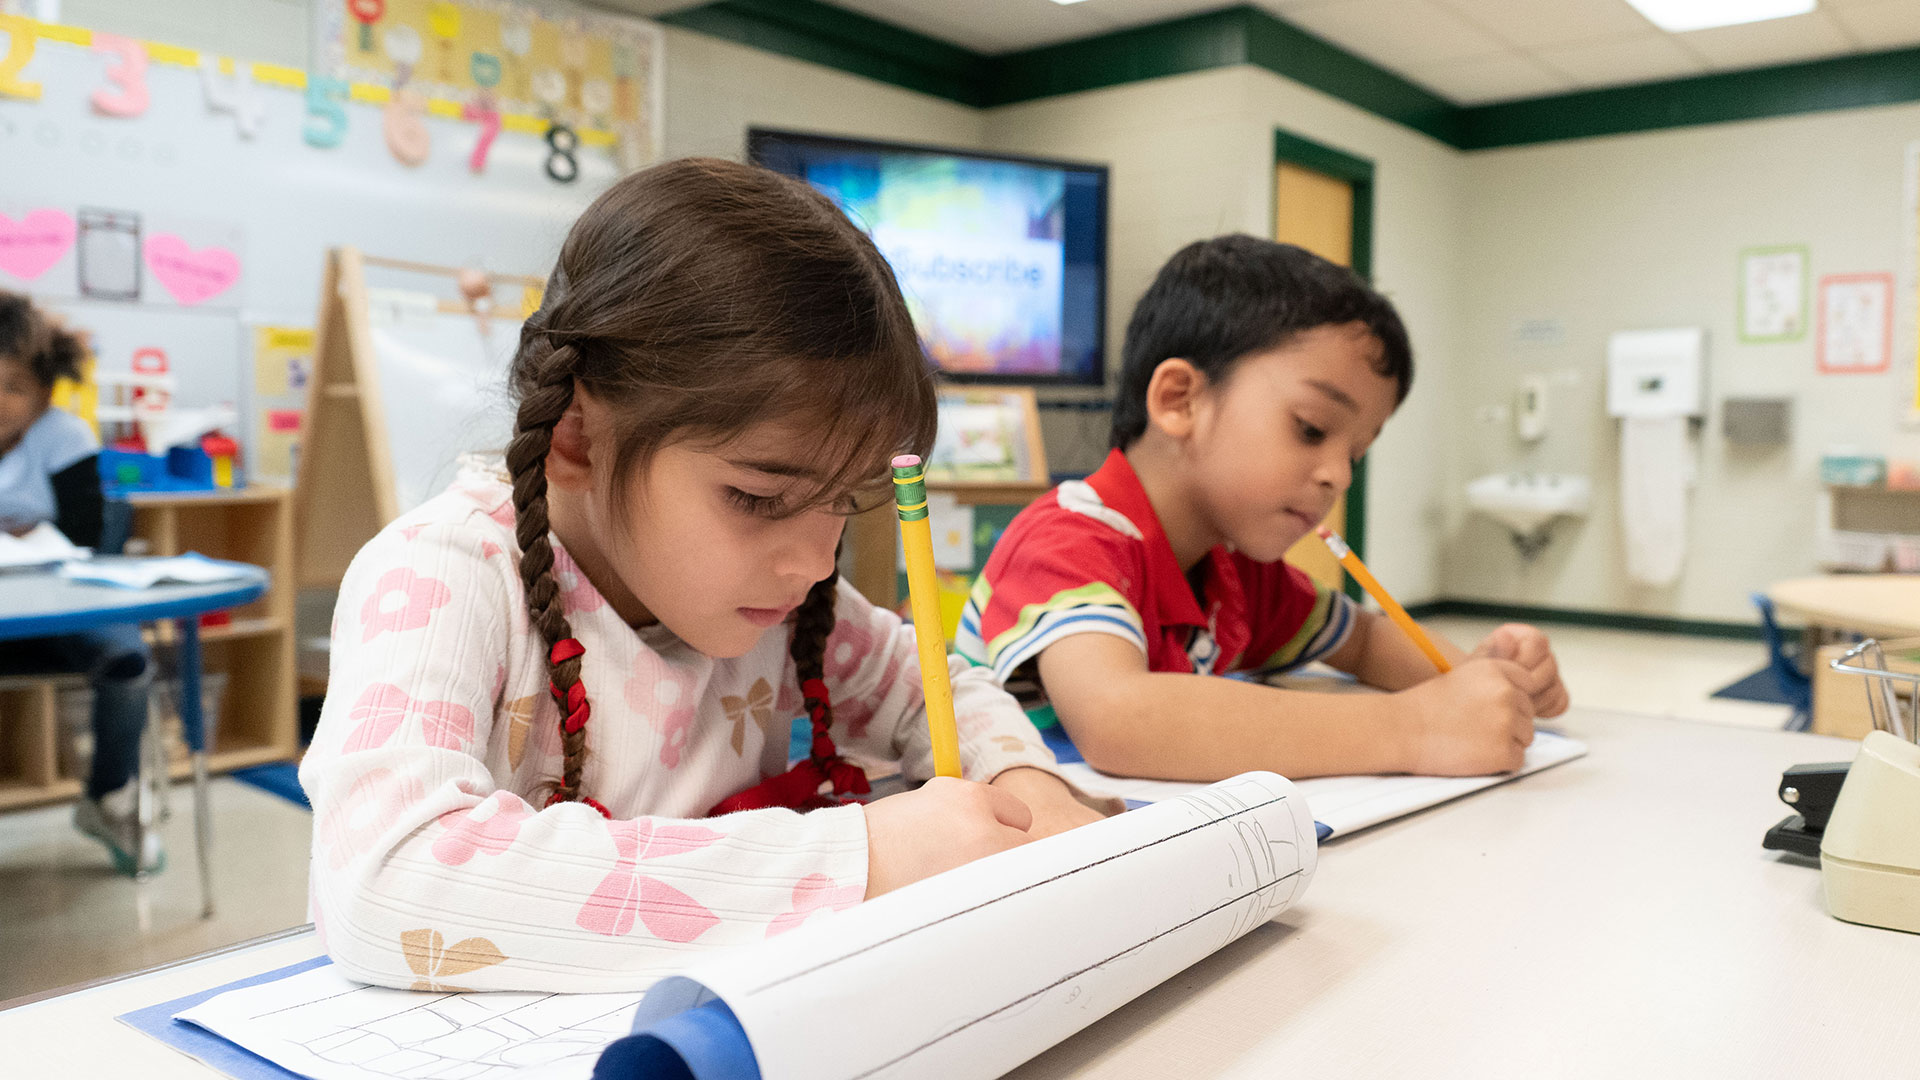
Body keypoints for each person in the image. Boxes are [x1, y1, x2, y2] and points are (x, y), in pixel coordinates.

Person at [300, 158, 1115, 993]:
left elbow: (936, 687)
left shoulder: (788, 606)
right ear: (579, 436)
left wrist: (1020, 780)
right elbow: (385, 880)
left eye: (843, 500)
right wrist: (864, 856)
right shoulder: (442, 576)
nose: (816, 562)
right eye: (758, 498)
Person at [958, 236, 1570, 782]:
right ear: (1180, 401)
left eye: (1355, 454)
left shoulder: (1237, 574)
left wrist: (1490, 682)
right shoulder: (1063, 543)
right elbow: (1119, 718)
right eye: (1311, 428)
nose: (1338, 475)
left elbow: (1363, 640)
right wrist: (1414, 728)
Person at [0, 292, 158, 873]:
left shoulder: (65, 436)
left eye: (14, 387)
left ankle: (108, 797)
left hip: (59, 607)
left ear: (46, 391)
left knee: (128, 661)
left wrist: (32, 538)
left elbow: (85, 536)